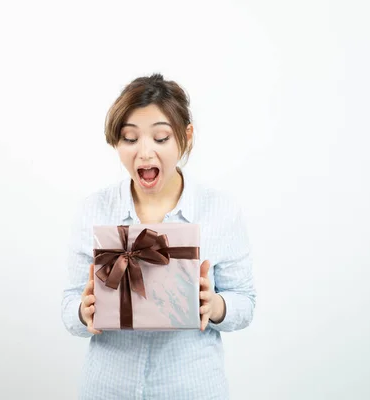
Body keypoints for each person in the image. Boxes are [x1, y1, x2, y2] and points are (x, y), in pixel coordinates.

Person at [61, 73, 257, 399]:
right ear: (116, 142)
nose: (145, 153)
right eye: (130, 138)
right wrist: (84, 311)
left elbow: (246, 303)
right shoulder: (93, 209)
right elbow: (69, 306)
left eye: (161, 138)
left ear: (186, 136)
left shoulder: (220, 210)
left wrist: (216, 305)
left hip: (191, 387)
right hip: (108, 388)